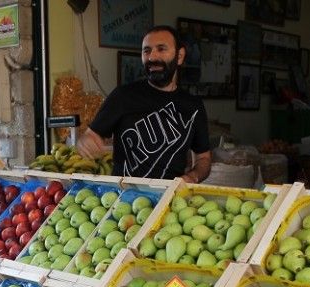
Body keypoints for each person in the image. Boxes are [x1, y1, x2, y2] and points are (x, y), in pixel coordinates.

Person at [77, 25, 211, 182]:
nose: (152, 57)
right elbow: (90, 136)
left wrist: (191, 177)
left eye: (161, 49)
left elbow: (204, 159)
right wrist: (86, 143)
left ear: (180, 56)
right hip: (124, 199)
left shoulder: (193, 106)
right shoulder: (123, 96)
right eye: (146, 51)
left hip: (170, 199)